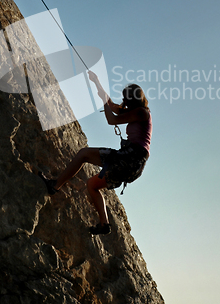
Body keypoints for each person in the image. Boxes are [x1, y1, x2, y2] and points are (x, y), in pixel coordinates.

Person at [38, 70, 152, 235]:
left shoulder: (141, 112)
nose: (124, 102)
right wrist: (96, 82)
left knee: (84, 154)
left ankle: (55, 186)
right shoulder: (134, 111)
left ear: (132, 99)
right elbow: (112, 104)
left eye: (126, 99)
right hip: (131, 162)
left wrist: (105, 105)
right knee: (92, 185)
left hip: (131, 158)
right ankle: (104, 224)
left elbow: (111, 119)